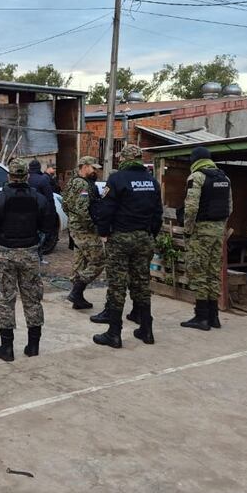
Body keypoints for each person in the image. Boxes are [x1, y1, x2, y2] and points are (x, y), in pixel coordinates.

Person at [0, 158, 55, 361]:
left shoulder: (0, 197)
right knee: (32, 299)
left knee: (5, 298)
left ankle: (7, 348)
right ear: (27, 176)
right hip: (30, 252)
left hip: (6, 252)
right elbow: (50, 224)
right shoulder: (38, 199)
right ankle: (33, 345)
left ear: (9, 176)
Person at [91, 145, 162, 348]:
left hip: (121, 238)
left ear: (124, 158)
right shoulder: (152, 181)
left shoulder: (117, 178)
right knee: (142, 282)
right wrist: (150, 234)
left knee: (117, 284)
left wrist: (103, 232)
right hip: (144, 237)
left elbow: (106, 209)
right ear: (139, 159)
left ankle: (114, 333)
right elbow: (158, 213)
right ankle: (146, 330)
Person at [180, 147, 232, 331]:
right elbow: (229, 207)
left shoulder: (197, 177)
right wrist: (220, 227)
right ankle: (214, 317)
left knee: (198, 271)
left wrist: (187, 230)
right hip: (218, 231)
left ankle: (201, 317)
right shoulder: (225, 178)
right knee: (213, 271)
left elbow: (191, 207)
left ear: (195, 160)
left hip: (201, 232)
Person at [62, 156, 104, 310]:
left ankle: (77, 297)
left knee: (79, 262)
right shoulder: (83, 185)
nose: (95, 171)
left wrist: (72, 220)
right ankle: (76, 292)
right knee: (99, 260)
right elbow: (82, 210)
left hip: (76, 227)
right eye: (93, 168)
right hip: (85, 229)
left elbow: (65, 204)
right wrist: (93, 225)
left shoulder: (72, 182)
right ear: (84, 166)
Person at [27, 159, 57, 262]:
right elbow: (49, 198)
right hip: (40, 214)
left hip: (26, 213)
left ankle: (31, 257)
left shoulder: (26, 179)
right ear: (40, 168)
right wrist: (51, 213)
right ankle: (38, 258)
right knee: (40, 237)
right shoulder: (42, 180)